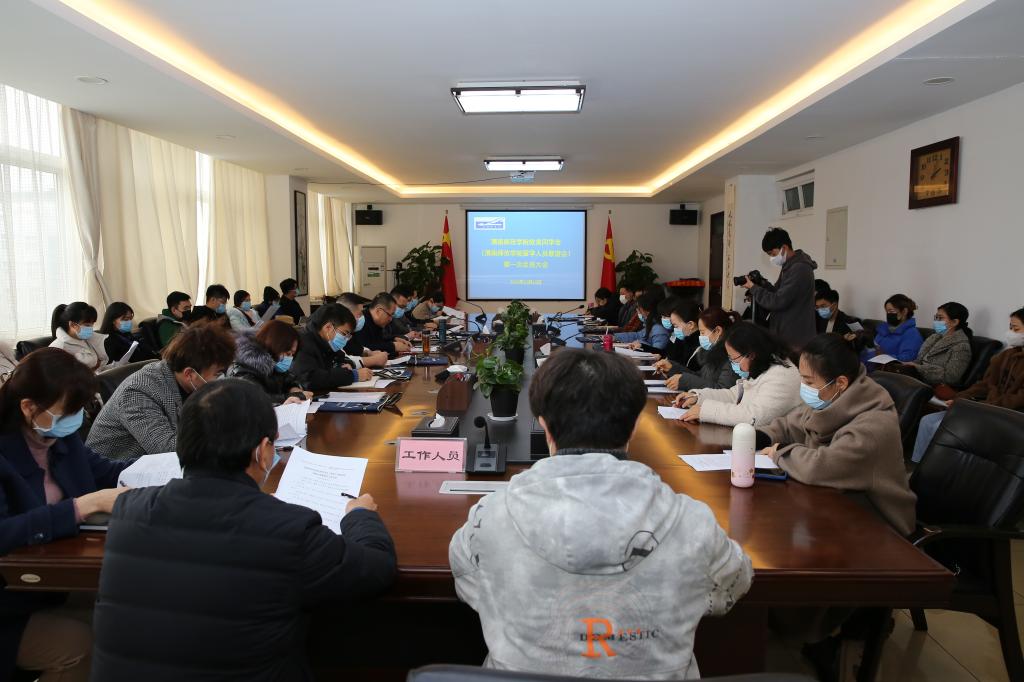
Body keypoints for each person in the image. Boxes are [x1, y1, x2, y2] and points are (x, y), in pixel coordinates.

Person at [449, 349, 751, 679]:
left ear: (544, 426)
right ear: (634, 427)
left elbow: (470, 586)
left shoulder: (490, 518)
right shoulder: (691, 523)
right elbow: (733, 585)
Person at [91, 378, 396, 680]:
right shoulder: (288, 529)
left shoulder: (128, 513)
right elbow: (376, 569)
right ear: (262, 451)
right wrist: (359, 516)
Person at [0, 349, 132, 682]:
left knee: (123, 615)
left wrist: (163, 470)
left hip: (48, 584)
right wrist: (81, 507)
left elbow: (106, 471)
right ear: (28, 407)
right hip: (8, 600)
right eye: (68, 411)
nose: (75, 419)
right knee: (80, 645)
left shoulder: (60, 437)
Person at [758, 334, 917, 536]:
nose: (803, 387)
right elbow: (791, 425)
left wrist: (780, 451)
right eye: (802, 378)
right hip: (833, 506)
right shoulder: (831, 397)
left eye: (809, 381)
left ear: (840, 382)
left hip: (878, 527)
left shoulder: (873, 426)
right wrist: (760, 436)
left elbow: (820, 467)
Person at [86, 323, 236, 460]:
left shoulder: (188, 383)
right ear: (189, 374)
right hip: (116, 471)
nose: (223, 379)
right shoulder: (138, 392)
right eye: (218, 374)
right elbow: (168, 449)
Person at [911, 307, 1024, 463]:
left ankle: (939, 470)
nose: (1010, 333)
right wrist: (959, 398)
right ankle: (920, 467)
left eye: (1015, 329)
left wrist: (981, 406)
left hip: (1006, 415)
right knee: (927, 421)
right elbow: (985, 384)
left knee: (940, 426)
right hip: (985, 407)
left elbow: (1018, 399)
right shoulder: (1006, 355)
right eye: (1010, 327)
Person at [674, 322, 801, 427]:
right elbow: (734, 395)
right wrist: (698, 397)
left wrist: (706, 411)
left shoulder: (781, 376)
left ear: (751, 355)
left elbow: (755, 416)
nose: (732, 363)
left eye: (733, 359)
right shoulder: (760, 366)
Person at [742, 227, 817, 350]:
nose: (772, 258)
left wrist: (754, 288)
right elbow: (777, 293)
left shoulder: (799, 268)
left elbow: (777, 301)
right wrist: (762, 283)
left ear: (784, 248)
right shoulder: (789, 266)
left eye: (773, 254)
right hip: (785, 333)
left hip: (795, 338)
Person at [655, 307, 740, 392]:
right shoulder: (712, 353)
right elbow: (700, 377)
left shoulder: (731, 356)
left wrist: (685, 381)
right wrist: (672, 368)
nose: (700, 336)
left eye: (702, 332)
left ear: (717, 331)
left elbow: (723, 391)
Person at [292, 304, 373, 392]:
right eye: (344, 334)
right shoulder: (303, 343)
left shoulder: (326, 341)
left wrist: (345, 365)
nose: (346, 339)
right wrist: (352, 376)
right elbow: (310, 379)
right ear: (328, 327)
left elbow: (340, 357)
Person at [227, 321, 309, 404]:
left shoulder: (275, 364)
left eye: (292, 354)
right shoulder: (243, 368)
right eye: (288, 353)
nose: (289, 358)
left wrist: (293, 388)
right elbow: (254, 399)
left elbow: (287, 380)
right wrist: (287, 397)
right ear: (275, 345)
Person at [899, 302, 973, 387]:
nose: (936, 321)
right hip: (917, 380)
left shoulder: (961, 347)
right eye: (936, 317)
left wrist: (918, 368)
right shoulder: (934, 337)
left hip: (934, 387)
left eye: (940, 318)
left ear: (954, 322)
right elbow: (919, 361)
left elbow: (951, 377)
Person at [49, 302, 107, 370]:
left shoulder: (85, 338)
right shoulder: (59, 348)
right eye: (87, 325)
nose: (91, 328)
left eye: (92, 324)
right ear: (72, 325)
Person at [337, 293, 389, 368]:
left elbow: (356, 347)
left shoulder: (348, 333)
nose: (362, 317)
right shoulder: (333, 333)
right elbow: (342, 360)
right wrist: (374, 360)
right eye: (359, 314)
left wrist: (369, 353)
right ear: (346, 314)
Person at [871, 294, 924, 362]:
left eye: (891, 311)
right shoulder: (884, 329)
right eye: (887, 312)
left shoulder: (912, 334)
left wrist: (884, 356)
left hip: (885, 367)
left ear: (904, 311)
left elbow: (907, 358)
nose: (888, 314)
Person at [659, 299, 701, 367]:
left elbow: (688, 370)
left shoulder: (698, 346)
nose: (675, 329)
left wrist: (671, 368)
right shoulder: (687, 341)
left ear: (690, 325)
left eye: (676, 326)